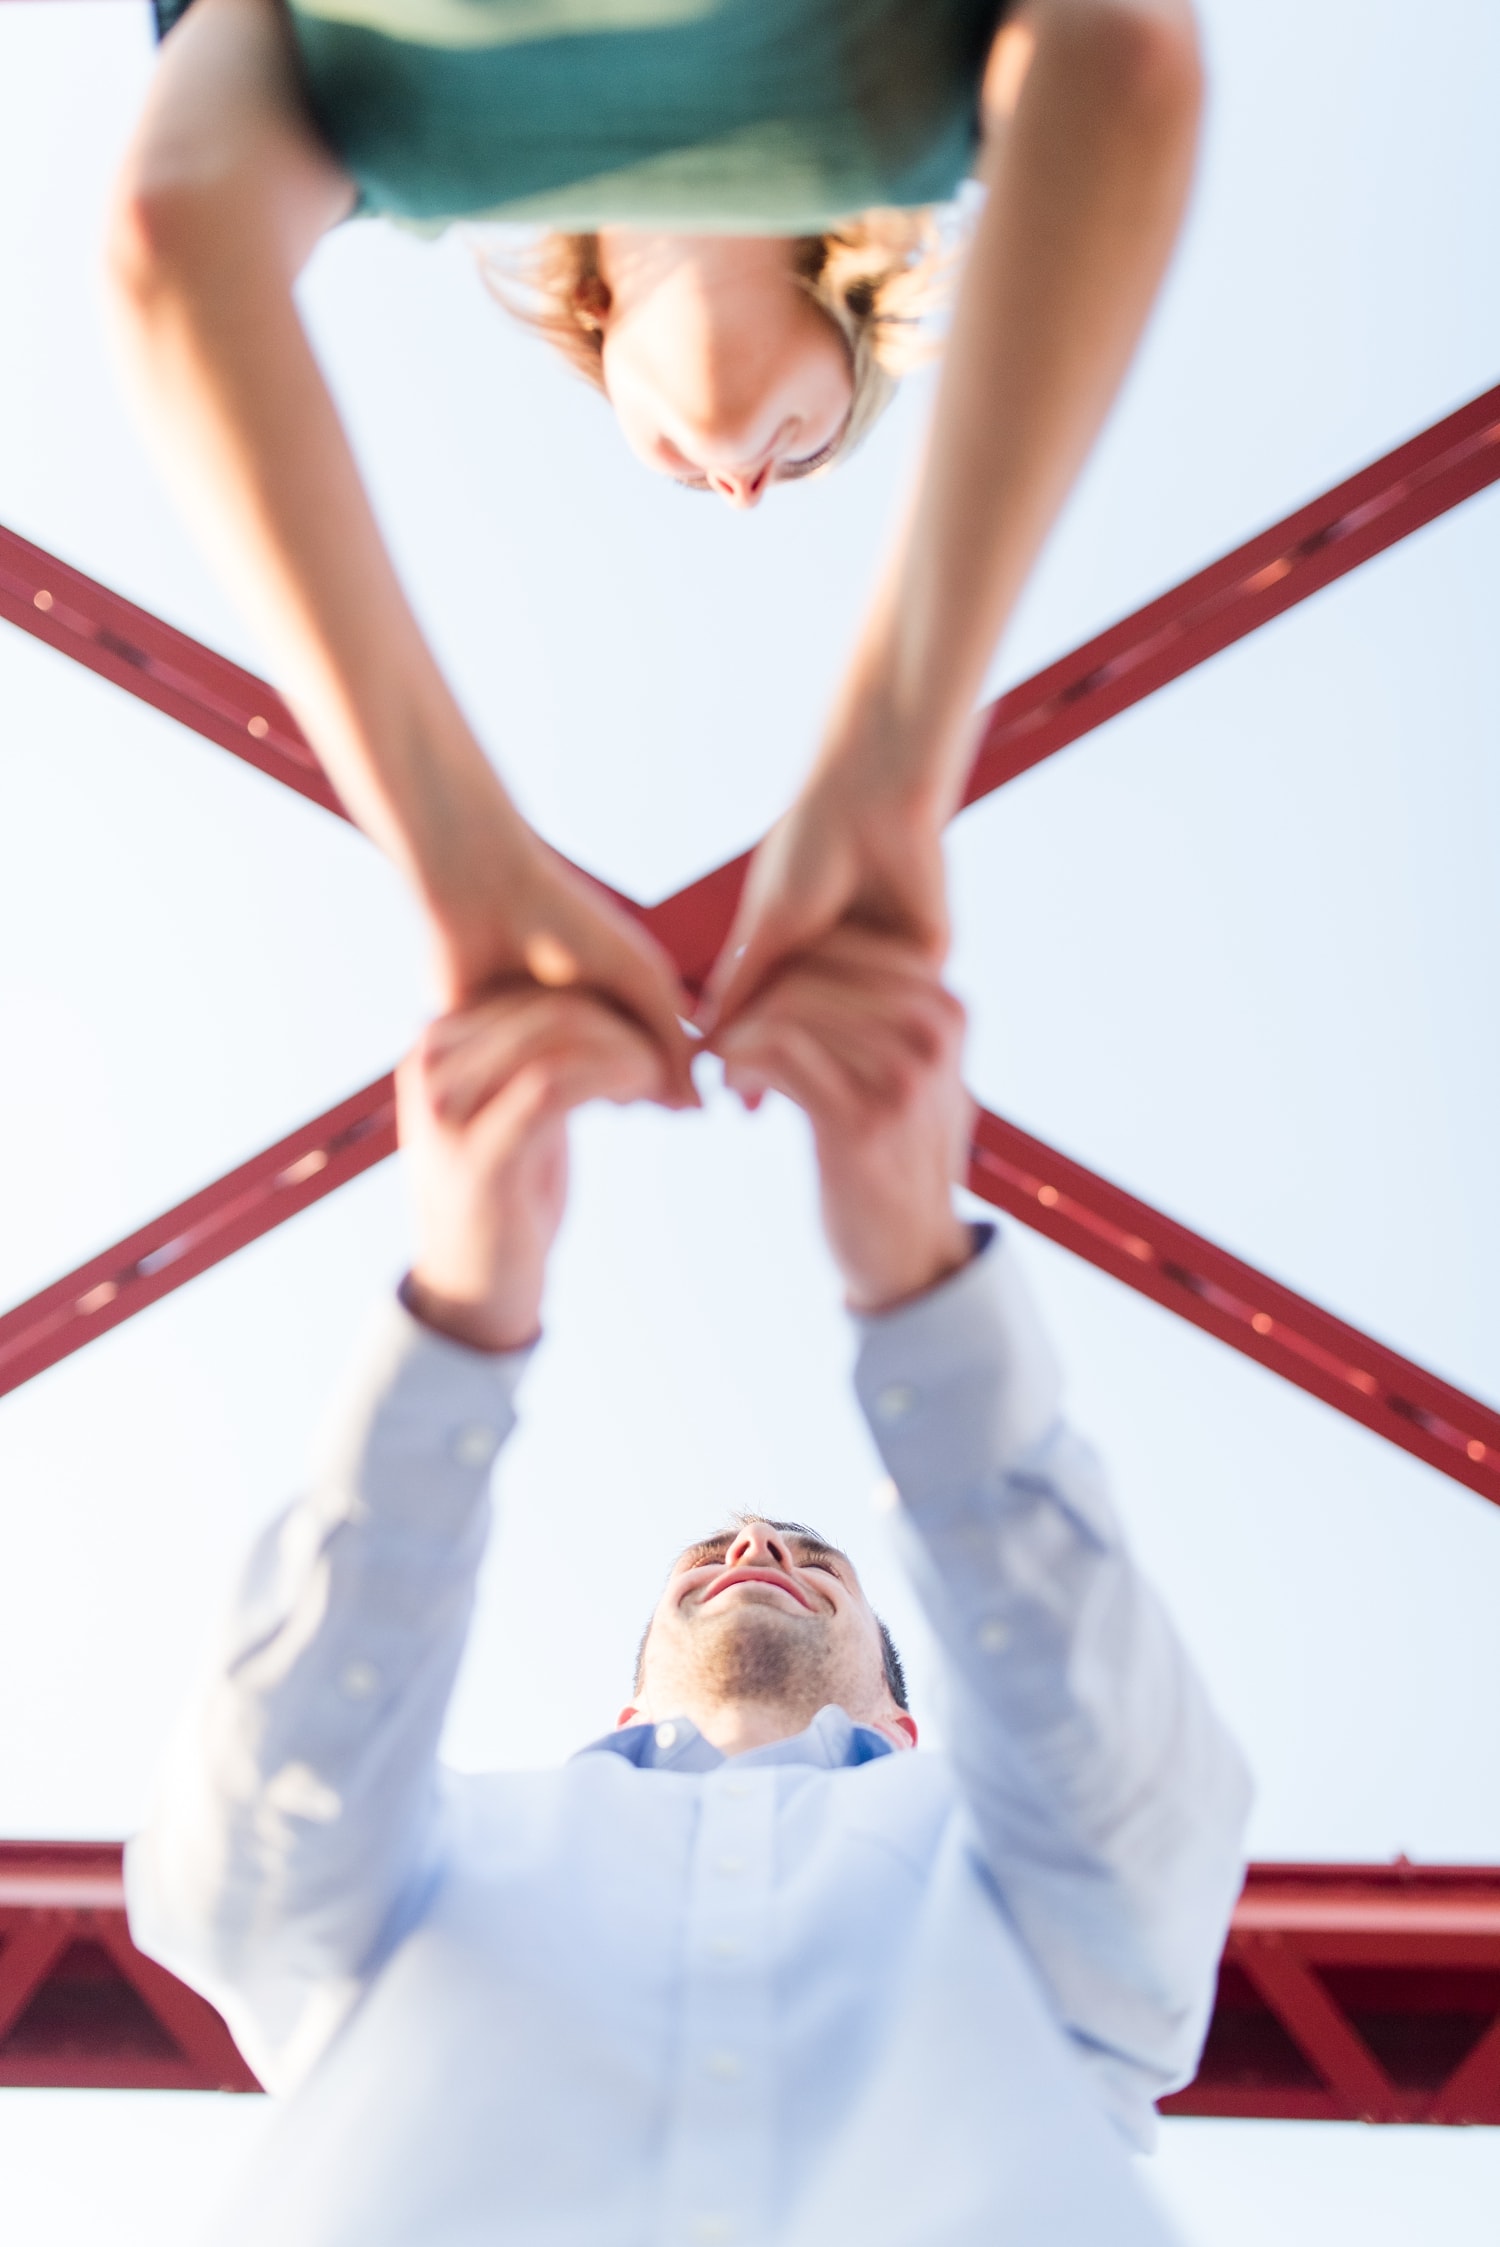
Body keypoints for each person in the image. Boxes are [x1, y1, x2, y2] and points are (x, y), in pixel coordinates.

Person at [127, 926, 1251, 2246]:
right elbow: (242, 1859)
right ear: (619, 1699)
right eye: (706, 1560)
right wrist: (464, 1309)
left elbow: (1135, 1800)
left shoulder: (1001, 1853)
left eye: (814, 1562)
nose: (753, 1552)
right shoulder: (437, 1844)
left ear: (907, 1725)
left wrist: (919, 1289)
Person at [104, 0, 1205, 1083]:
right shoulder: (942, 92)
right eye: (813, 455)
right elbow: (1130, 61)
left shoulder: (352, 130)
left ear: (594, 319)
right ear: (858, 317)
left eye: (686, 481)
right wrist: (896, 766)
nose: (741, 492)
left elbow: (170, 242)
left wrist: (458, 860)